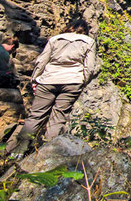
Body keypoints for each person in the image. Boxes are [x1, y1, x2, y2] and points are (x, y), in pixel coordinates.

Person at [11, 19, 98, 153]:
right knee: (58, 118)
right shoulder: (88, 41)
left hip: (48, 80)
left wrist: (35, 80)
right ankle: (48, 152)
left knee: (36, 115)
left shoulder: (55, 39)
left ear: (69, 27)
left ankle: (17, 151)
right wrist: (82, 81)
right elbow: (90, 67)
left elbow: (42, 61)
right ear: (85, 30)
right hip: (72, 81)